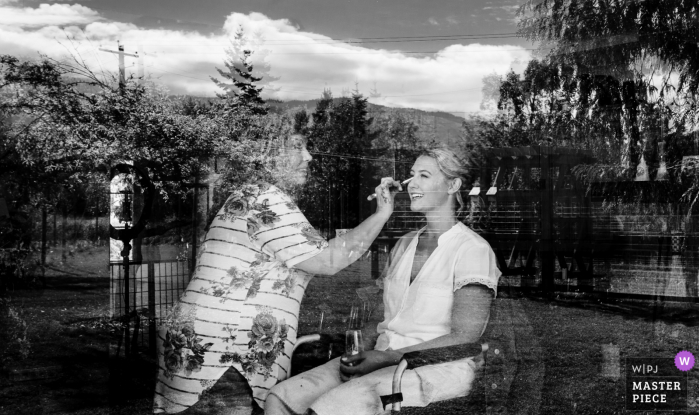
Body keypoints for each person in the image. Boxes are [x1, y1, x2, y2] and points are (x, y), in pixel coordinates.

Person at [153, 133, 403, 413]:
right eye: (297, 148)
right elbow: (329, 261)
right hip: (224, 354)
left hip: (207, 345)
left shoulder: (250, 195)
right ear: (268, 154)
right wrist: (382, 213)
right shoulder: (265, 199)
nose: (308, 157)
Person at [266, 147, 501, 415]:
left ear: (453, 185)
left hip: (434, 369)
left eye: (424, 176)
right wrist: (361, 351)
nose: (412, 184)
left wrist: (384, 358)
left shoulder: (473, 249)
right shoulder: (404, 244)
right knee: (282, 396)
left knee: (331, 406)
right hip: (382, 360)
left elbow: (465, 337)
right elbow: (381, 315)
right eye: (412, 175)